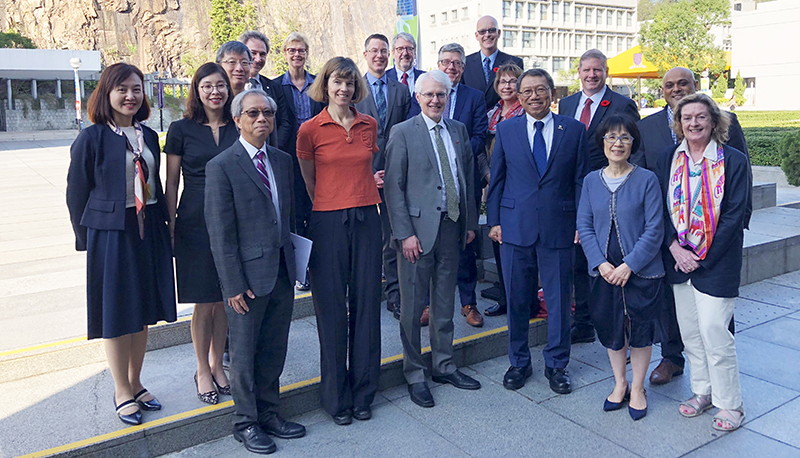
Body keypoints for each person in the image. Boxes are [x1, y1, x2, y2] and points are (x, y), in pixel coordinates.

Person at [66, 62, 177, 426]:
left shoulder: (147, 134)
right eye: (122, 89)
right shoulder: (92, 137)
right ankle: (120, 389)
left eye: (136, 89)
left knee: (143, 310)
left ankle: (136, 381)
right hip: (111, 234)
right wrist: (87, 240)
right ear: (107, 93)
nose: (130, 96)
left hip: (147, 231)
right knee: (116, 313)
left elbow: (154, 186)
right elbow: (76, 192)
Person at [632, 67, 751, 386]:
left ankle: (721, 364)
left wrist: (741, 222)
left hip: (717, 237)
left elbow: (742, 169)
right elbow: (648, 183)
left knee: (715, 317)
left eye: (683, 83)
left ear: (695, 86)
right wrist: (665, 238)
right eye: (669, 85)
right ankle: (673, 358)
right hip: (672, 236)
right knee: (674, 306)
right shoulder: (647, 127)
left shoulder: (725, 120)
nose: (676, 88)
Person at [205, 89, 306, 454]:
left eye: (267, 113)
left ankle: (269, 413)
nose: (261, 119)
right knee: (244, 355)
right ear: (237, 120)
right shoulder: (221, 166)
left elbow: (288, 215)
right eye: (252, 113)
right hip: (245, 280)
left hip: (281, 270)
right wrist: (232, 285)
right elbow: (220, 233)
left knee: (274, 348)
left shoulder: (280, 160)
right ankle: (245, 422)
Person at [487, 68, 589, 394]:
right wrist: (494, 222)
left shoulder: (573, 130)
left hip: (559, 226)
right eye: (527, 91)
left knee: (559, 301)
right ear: (518, 96)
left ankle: (557, 365)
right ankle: (518, 362)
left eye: (541, 89)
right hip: (514, 228)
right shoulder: (506, 130)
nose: (534, 96)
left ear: (552, 94)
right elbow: (497, 180)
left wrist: (580, 224)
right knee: (517, 299)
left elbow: (580, 181)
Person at [384, 70, 482, 408]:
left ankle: (443, 364)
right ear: (418, 97)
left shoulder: (458, 130)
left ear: (449, 97)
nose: (435, 100)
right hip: (417, 235)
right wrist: (404, 233)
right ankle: (414, 373)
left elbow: (466, 177)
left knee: (444, 303)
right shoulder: (402, 132)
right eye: (429, 95)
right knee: (412, 309)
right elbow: (393, 188)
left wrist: (469, 223)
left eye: (441, 95)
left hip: (453, 228)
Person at [655, 92, 749, 432]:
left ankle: (731, 404)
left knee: (715, 332)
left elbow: (735, 214)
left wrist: (702, 255)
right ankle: (703, 391)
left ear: (714, 121)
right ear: (678, 124)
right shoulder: (669, 157)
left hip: (717, 262)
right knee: (691, 334)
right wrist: (675, 249)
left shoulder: (733, 160)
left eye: (700, 117)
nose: (693, 123)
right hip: (678, 262)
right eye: (686, 118)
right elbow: (661, 211)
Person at [297, 57, 383, 425]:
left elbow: (366, 167)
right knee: (331, 309)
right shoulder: (309, 130)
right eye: (337, 81)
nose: (344, 89)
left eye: (349, 83)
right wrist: (331, 205)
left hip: (367, 219)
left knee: (366, 306)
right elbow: (308, 181)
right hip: (328, 221)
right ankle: (336, 398)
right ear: (325, 85)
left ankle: (364, 392)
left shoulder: (369, 125)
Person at [576, 115, 664, 421]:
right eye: (611, 137)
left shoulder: (646, 179)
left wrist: (630, 265)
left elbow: (655, 229)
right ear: (602, 143)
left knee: (640, 328)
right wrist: (600, 263)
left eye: (625, 138)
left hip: (641, 270)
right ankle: (620, 383)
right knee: (612, 329)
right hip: (604, 271)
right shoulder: (590, 181)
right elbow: (584, 226)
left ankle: (638, 388)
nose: (617, 143)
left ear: (633, 143)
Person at [164, 63, 237, 405]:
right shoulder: (180, 129)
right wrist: (170, 222)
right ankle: (202, 369)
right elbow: (172, 181)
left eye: (220, 85)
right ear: (196, 89)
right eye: (207, 86)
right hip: (193, 219)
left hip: (232, 218)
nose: (215, 92)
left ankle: (217, 364)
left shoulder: (239, 124)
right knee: (203, 300)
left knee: (225, 295)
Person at [558, 49, 641, 346]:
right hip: (573, 192)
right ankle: (582, 322)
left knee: (610, 255)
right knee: (579, 258)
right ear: (578, 72)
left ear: (606, 72)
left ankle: (620, 324)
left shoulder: (622, 103)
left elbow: (634, 146)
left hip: (610, 192)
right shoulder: (566, 104)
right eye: (586, 70)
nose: (591, 75)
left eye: (597, 70)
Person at [354, 34, 412, 322]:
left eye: (384, 51)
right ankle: (362, 293)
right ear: (365, 54)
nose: (379, 55)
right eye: (374, 51)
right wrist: (366, 172)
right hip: (361, 173)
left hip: (394, 171)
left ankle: (395, 295)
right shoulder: (354, 89)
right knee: (364, 236)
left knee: (392, 237)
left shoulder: (400, 91)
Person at [435, 43, 488, 327]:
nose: (451, 67)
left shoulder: (474, 97)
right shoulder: (427, 91)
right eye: (446, 62)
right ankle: (430, 304)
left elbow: (480, 133)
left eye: (456, 63)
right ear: (438, 64)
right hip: (432, 179)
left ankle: (469, 303)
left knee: (465, 241)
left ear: (463, 68)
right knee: (432, 239)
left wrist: (459, 149)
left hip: (463, 178)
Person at [277, 32, 325, 290]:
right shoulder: (276, 86)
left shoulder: (318, 84)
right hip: (289, 159)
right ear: (284, 53)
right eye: (292, 50)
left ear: (307, 54)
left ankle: (320, 263)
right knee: (295, 214)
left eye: (301, 50)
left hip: (318, 158)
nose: (297, 54)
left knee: (318, 208)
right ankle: (301, 269)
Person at [482, 62, 525, 318]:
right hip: (494, 183)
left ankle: (520, 299)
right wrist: (487, 172)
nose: (506, 86)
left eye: (511, 81)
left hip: (517, 185)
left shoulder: (523, 114)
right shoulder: (492, 114)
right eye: (502, 82)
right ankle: (505, 295)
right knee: (498, 240)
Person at [240, 31, 293, 152]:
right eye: (253, 53)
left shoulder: (273, 87)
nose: (258, 59)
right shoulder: (230, 87)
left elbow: (284, 122)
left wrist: (272, 149)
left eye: (262, 54)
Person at [462, 15, 524, 110]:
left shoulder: (515, 63)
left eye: (491, 30)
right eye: (482, 32)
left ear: (499, 33)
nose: (487, 35)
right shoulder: (465, 63)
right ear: (476, 36)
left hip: (503, 120)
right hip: (473, 121)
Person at [386, 32, 425, 117]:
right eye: (400, 49)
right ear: (393, 53)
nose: (405, 53)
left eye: (409, 49)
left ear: (415, 52)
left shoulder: (426, 79)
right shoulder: (385, 79)